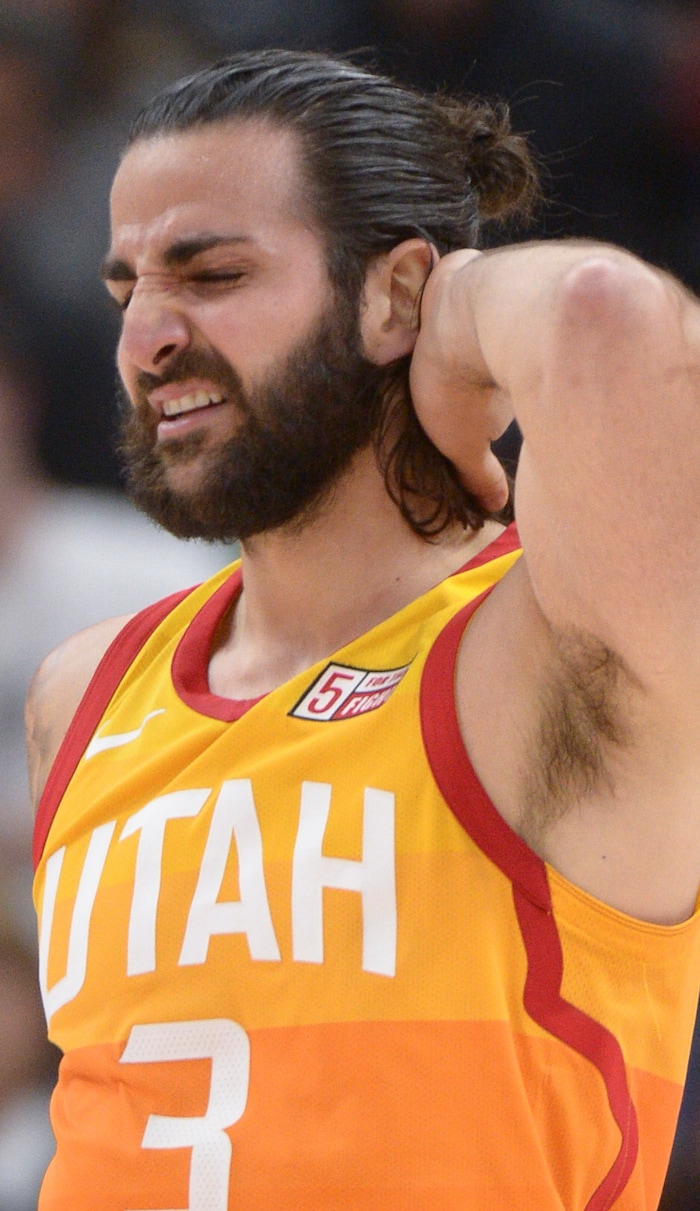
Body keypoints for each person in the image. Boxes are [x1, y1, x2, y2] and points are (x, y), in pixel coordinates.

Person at [24, 49, 700, 1211]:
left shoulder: (540, 647)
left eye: (212, 272)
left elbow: (611, 321)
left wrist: (465, 318)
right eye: (126, 288)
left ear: (393, 293)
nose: (144, 340)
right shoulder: (82, 688)